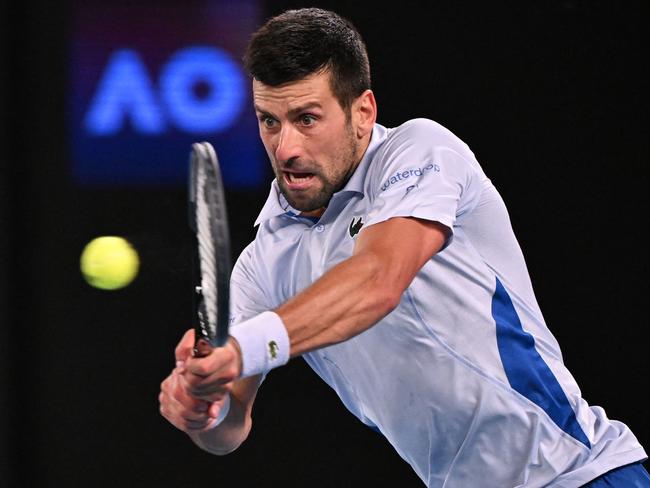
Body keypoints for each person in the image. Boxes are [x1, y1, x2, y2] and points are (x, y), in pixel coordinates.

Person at [159, 8, 649, 487]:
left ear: (362, 112)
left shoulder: (420, 151)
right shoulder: (260, 267)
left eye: (307, 119)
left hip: (579, 473)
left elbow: (377, 280)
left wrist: (242, 347)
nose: (285, 148)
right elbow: (231, 426)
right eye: (269, 121)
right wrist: (204, 408)